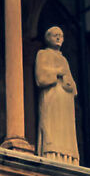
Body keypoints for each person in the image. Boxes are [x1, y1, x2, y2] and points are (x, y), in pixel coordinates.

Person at [34, 27, 80, 160]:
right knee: (51, 128)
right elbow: (41, 77)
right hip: (52, 97)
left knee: (65, 132)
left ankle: (67, 157)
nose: (59, 38)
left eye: (61, 35)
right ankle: (52, 154)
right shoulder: (43, 54)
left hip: (65, 100)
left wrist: (70, 85)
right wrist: (57, 73)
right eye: (55, 35)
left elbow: (73, 85)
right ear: (48, 38)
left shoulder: (64, 59)